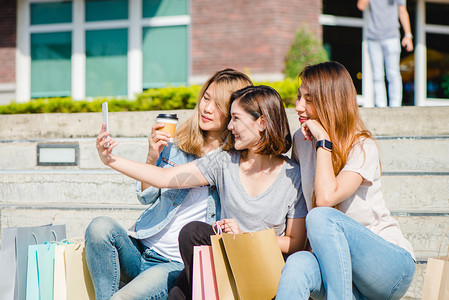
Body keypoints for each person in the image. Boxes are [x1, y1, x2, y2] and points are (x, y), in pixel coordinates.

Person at [96, 85, 308, 300]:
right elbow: (164, 178)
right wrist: (111, 160)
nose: (230, 126)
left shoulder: (293, 176)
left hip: (261, 266)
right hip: (225, 260)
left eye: (236, 118)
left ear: (261, 123)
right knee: (193, 235)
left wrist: (245, 237)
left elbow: (295, 242)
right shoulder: (225, 161)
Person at [85, 68, 253, 300]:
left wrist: (110, 160)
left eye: (218, 104)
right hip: (141, 247)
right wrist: (152, 156)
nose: (207, 108)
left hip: (173, 265)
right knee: (99, 227)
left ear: (234, 112)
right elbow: (146, 197)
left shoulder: (231, 161)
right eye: (206, 97)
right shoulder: (179, 142)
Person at [276, 62, 415, 299]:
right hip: (342, 275)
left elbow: (325, 198)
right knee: (298, 263)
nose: (298, 106)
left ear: (330, 101)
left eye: (308, 100)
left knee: (320, 216)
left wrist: (323, 143)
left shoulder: (363, 147)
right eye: (299, 97)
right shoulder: (301, 140)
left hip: (389, 268)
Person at [357, 0, 414, 107]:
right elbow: (361, 5)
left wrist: (408, 35)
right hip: (373, 38)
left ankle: (395, 106)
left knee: (393, 73)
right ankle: (380, 106)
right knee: (377, 75)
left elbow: (402, 10)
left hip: (392, 37)